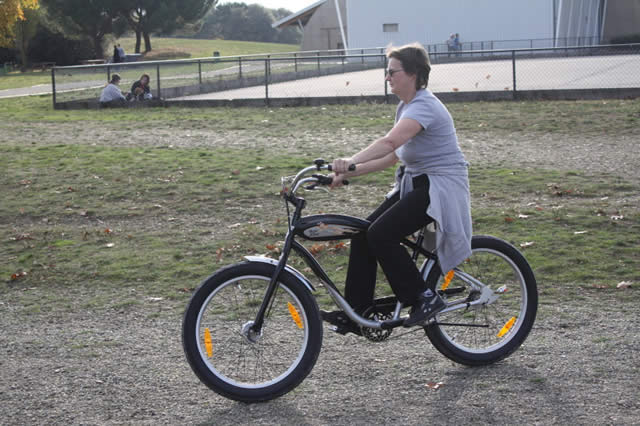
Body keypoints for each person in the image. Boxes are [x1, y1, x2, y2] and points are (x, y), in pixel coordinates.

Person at [323, 42, 472, 333]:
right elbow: (394, 157)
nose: (387, 77)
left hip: (441, 185)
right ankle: (358, 312)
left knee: (381, 233)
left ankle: (423, 297)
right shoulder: (406, 107)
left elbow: (389, 143)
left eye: (393, 72)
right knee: (364, 231)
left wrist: (350, 161)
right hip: (418, 183)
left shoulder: (424, 106)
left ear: (413, 73)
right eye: (387, 72)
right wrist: (348, 173)